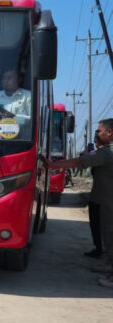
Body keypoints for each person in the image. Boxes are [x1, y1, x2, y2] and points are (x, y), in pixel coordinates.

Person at [41, 118, 113, 288]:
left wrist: (53, 165)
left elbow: (80, 162)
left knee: (110, 236)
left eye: (100, 131)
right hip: (104, 200)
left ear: (109, 132)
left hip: (109, 203)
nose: (98, 133)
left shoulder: (107, 152)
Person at [84, 133, 105, 258]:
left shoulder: (100, 153)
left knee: (97, 224)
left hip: (100, 197)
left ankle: (99, 249)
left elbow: (82, 161)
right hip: (100, 194)